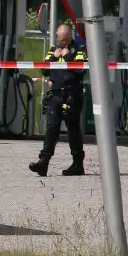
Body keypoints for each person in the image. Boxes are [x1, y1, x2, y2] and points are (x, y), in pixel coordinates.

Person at [29, 24, 87, 177]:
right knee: (51, 127)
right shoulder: (53, 49)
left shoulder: (79, 49)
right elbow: (44, 70)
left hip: (72, 95)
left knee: (73, 129)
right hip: (55, 94)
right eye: (60, 40)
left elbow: (81, 71)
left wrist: (68, 57)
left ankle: (77, 163)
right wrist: (54, 56)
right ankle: (43, 162)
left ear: (70, 37)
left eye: (65, 40)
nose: (63, 43)